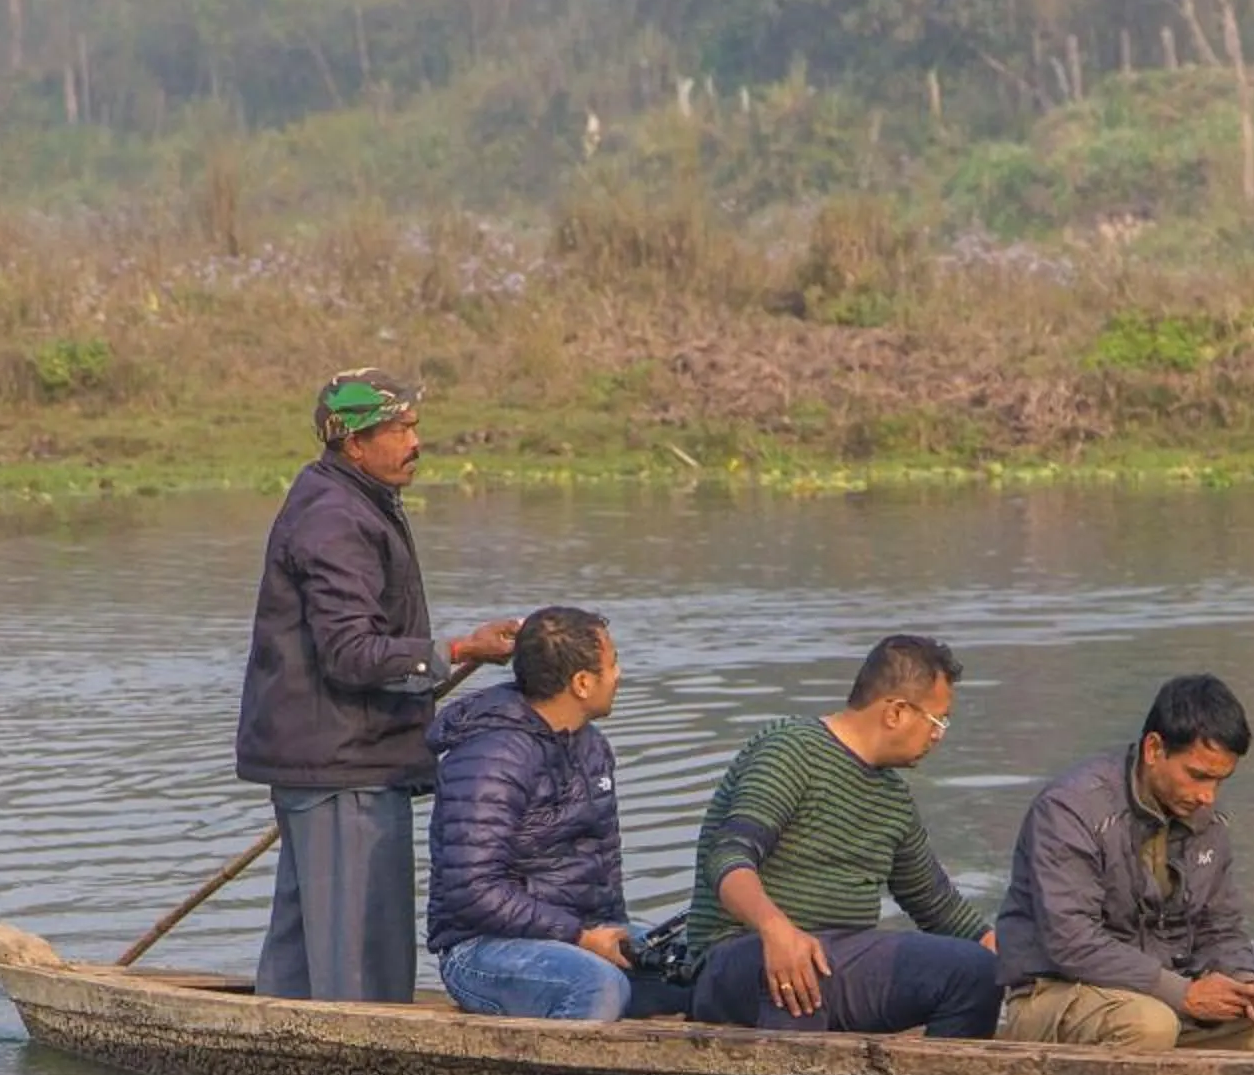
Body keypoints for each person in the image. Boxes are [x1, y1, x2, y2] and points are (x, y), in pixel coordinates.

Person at [234, 368, 521, 1003]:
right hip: (343, 765)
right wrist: (457, 650)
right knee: (360, 964)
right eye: (399, 429)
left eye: (415, 425)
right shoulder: (335, 517)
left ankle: (276, 1047)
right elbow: (351, 652)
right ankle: (347, 1065)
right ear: (354, 443)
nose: (415, 441)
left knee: (303, 959)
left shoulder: (349, 498)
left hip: (338, 759)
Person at [991, 672, 1254, 1053]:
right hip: (1058, 993)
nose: (1207, 796)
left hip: (1166, 998)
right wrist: (1183, 993)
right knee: (1149, 1026)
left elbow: (1220, 928)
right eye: (1198, 776)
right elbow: (1072, 941)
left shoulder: (1205, 819)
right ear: (1154, 749)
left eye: (1220, 782)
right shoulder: (1069, 809)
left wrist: (1246, 987)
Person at [684, 635, 1002, 1038]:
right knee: (802, 970)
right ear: (896, 712)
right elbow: (729, 859)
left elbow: (939, 907)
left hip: (834, 961)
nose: (938, 736)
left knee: (977, 973)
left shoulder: (893, 798)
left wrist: (1013, 956)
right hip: (739, 957)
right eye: (937, 721)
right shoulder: (791, 751)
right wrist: (777, 931)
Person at [424, 607, 645, 1023]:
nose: (619, 675)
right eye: (612, 665)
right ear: (582, 683)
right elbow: (471, 890)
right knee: (597, 985)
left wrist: (619, 938)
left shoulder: (592, 747)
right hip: (482, 949)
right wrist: (578, 936)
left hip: (577, 936)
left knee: (694, 964)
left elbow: (603, 867)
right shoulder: (491, 757)